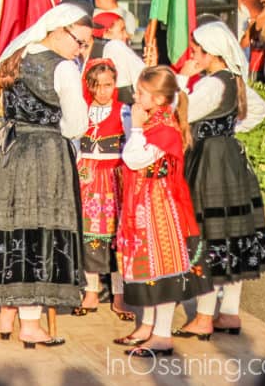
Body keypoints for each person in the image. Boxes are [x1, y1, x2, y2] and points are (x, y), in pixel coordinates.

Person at [0, 3, 91, 348]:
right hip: (43, 153)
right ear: (58, 29)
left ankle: (7, 316)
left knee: (10, 228)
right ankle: (30, 324)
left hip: (8, 150)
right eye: (78, 40)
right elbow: (77, 123)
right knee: (36, 232)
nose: (80, 49)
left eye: (84, 44)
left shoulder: (15, 51)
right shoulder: (63, 68)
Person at [173, 21, 265, 339]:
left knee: (210, 233)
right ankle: (228, 312)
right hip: (229, 158)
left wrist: (183, 78)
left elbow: (181, 114)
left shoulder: (211, 84)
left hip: (210, 162)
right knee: (231, 232)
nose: (194, 55)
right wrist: (227, 131)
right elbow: (259, 109)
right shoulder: (235, 80)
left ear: (211, 52)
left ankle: (203, 316)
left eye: (198, 50)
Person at [114, 66, 213, 357]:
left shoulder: (164, 127)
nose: (135, 96)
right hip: (144, 199)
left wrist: (134, 126)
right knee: (146, 264)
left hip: (157, 203)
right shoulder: (153, 120)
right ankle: (147, 325)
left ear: (158, 99)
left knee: (162, 265)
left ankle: (162, 334)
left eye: (141, 93)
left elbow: (133, 158)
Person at [71, 59, 134, 321]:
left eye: (108, 85)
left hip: (113, 177)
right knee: (89, 235)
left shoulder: (124, 112)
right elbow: (74, 142)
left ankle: (120, 294)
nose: (102, 91)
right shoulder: (81, 110)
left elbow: (132, 144)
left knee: (116, 236)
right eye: (97, 86)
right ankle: (91, 291)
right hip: (87, 176)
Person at [89, 11, 144, 104]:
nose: (126, 35)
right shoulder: (115, 45)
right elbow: (144, 75)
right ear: (106, 33)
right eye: (122, 30)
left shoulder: (91, 52)